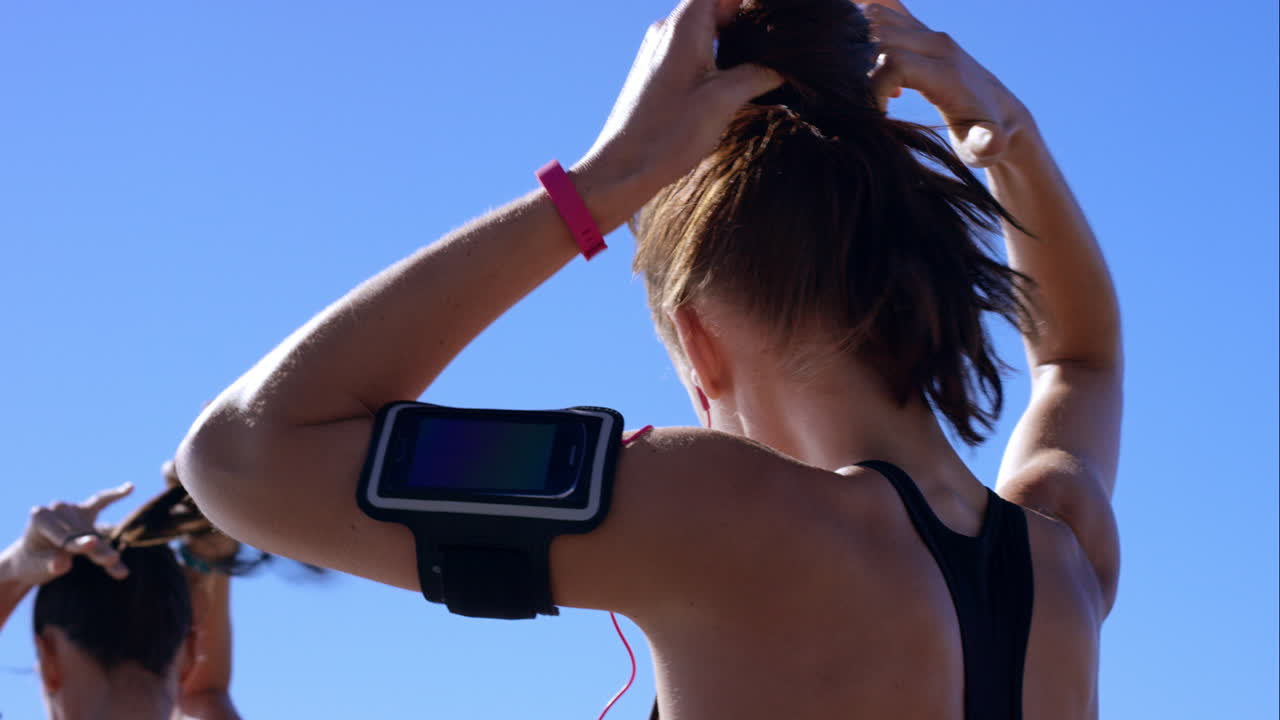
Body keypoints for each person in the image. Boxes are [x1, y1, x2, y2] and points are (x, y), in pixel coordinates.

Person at [177, 0, 1121, 717]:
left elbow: (242, 458)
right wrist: (1011, 135)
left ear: (695, 338)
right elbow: (1078, 361)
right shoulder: (1062, 551)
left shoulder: (721, 510)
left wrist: (606, 179)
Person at [0, 476, 243, 720]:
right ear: (190, 654)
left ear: (48, 662)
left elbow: (206, 693)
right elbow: (205, 694)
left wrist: (12, 567)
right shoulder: (208, 701)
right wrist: (210, 544)